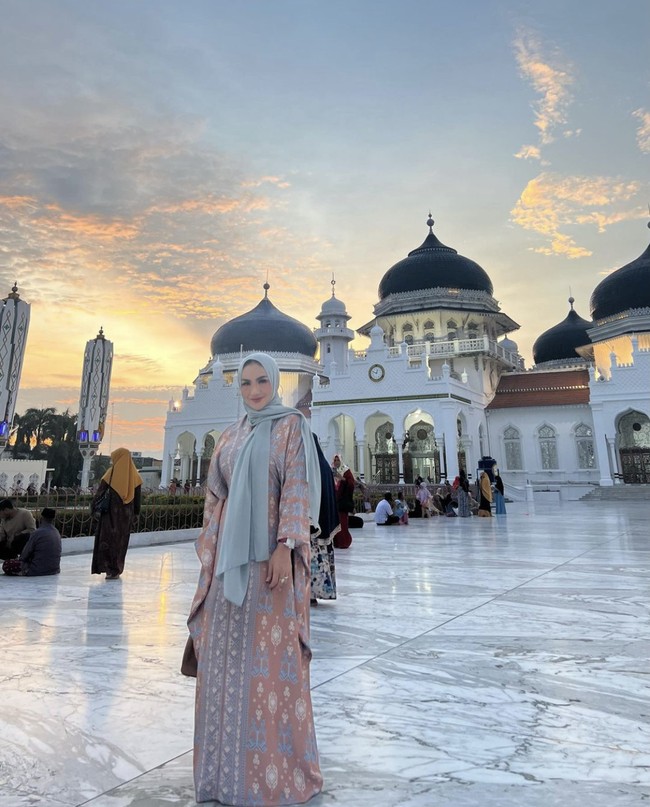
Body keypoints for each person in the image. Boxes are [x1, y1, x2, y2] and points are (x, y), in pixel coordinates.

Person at [186, 352, 323, 806]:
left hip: (269, 566)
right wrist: (215, 549)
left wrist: (285, 545)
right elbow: (214, 493)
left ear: (277, 382)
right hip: (230, 569)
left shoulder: (290, 428)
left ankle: (272, 777)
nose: (255, 390)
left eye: (262, 381)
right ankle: (222, 776)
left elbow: (297, 487)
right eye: (245, 383)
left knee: (268, 668)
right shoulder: (231, 432)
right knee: (226, 669)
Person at [91, 448, 142, 580]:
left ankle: (107, 568)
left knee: (107, 540)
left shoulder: (110, 474)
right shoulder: (135, 476)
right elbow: (137, 500)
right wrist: (135, 515)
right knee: (121, 542)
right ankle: (116, 569)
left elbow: (99, 493)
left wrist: (93, 509)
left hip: (110, 515)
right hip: (126, 516)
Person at [311, 434, 338, 604]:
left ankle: (308, 593)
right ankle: (322, 592)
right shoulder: (326, 467)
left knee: (311, 558)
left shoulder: (310, 467)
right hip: (324, 523)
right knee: (322, 558)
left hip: (311, 523)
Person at [2, 508, 61, 576]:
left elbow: (25, 553)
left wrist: (20, 560)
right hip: (54, 569)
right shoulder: (56, 532)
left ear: (42, 518)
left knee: (7, 564)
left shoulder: (37, 533)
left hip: (37, 569)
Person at [332, 454, 355, 549]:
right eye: (335, 460)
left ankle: (344, 542)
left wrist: (342, 478)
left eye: (338, 460)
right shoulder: (331, 470)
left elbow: (351, 483)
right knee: (335, 523)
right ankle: (337, 542)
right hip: (334, 501)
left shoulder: (346, 471)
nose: (336, 462)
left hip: (342, 502)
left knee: (342, 523)